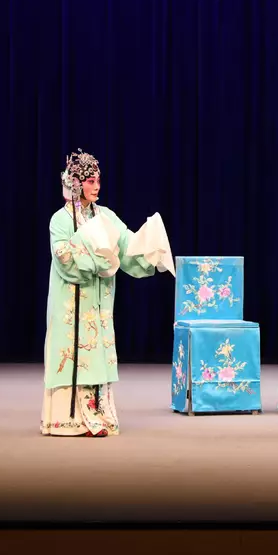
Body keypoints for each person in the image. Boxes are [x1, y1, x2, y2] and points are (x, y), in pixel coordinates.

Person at [41, 149, 172, 437]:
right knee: (72, 353)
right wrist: (97, 259)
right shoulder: (60, 220)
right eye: (90, 181)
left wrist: (150, 247)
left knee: (96, 353)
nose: (96, 186)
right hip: (71, 299)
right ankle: (71, 420)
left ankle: (98, 416)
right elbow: (63, 256)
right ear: (75, 183)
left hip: (99, 300)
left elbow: (127, 246)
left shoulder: (106, 216)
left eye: (98, 180)